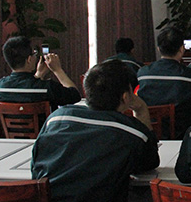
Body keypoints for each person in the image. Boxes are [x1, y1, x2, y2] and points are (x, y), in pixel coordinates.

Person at [31, 59, 159, 202]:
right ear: (125, 96)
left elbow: (36, 164)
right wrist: (141, 110)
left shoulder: (56, 118)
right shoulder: (132, 132)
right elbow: (150, 162)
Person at [137, 27, 191, 139]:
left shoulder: (142, 74)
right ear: (182, 49)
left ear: (158, 49)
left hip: (151, 136)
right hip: (183, 136)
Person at [0, 36, 80, 110]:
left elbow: (25, 89)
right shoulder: (47, 88)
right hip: (45, 124)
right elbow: (75, 96)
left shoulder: (0, 87)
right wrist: (57, 70)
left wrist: (39, 74)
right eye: (34, 53)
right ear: (29, 59)